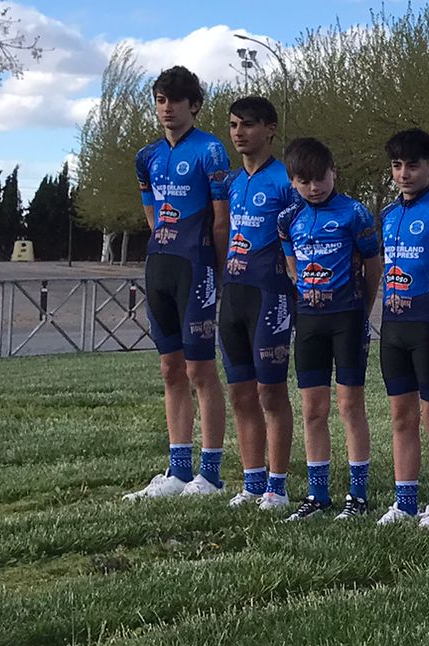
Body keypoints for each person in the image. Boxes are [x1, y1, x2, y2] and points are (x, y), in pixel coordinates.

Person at [124, 65, 231, 500]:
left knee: (200, 369)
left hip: (198, 264)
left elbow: (221, 220)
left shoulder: (211, 151)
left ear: (195, 105)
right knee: (170, 369)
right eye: (161, 100)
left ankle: (211, 472)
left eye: (176, 101)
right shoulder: (146, 156)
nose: (167, 109)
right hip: (160, 265)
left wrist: (221, 271)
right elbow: (150, 210)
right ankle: (178, 470)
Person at [277, 137, 382, 521]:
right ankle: (317, 495)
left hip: (348, 318)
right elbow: (292, 266)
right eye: (304, 181)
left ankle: (358, 495)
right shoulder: (288, 219)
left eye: (321, 178)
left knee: (349, 406)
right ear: (292, 182)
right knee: (312, 409)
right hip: (309, 321)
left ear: (333, 173)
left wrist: (361, 309)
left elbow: (374, 266)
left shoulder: (354, 213)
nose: (314, 187)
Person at [377, 128, 429, 528]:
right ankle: (405, 500)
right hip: (392, 328)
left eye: (413, 165)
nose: (404, 173)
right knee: (400, 417)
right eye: (397, 165)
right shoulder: (388, 215)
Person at [217, 95, 298, 512]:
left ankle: (277, 486)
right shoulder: (231, 183)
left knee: (270, 391)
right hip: (233, 293)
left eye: (247, 125)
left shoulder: (287, 181)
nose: (239, 133)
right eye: (233, 125)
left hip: (272, 292)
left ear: (269, 129)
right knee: (240, 392)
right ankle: (252, 482)